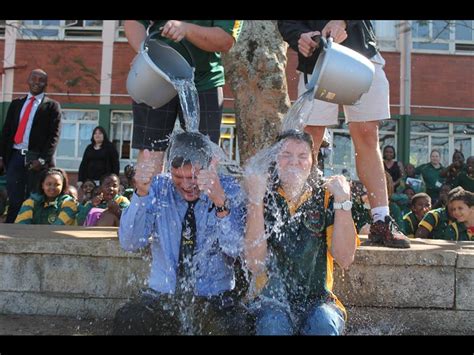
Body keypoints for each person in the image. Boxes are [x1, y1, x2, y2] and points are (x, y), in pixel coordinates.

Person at [278, 20, 410, 249]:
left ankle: (381, 219)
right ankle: (303, 216)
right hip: (316, 61)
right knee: (310, 139)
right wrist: (299, 36)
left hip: (361, 53)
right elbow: (286, 22)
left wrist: (342, 22)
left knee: (367, 134)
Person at [113, 131, 249, 335]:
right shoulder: (158, 187)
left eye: (193, 176)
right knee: (129, 319)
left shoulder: (229, 189)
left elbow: (235, 249)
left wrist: (221, 204)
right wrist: (141, 193)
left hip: (213, 296)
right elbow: (131, 243)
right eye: (178, 177)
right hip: (163, 294)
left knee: (236, 326)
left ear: (210, 165)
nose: (186, 185)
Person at [243, 130, 358, 335]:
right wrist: (256, 201)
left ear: (312, 162)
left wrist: (343, 201)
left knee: (324, 325)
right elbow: (254, 263)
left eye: (302, 156)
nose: (294, 162)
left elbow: (345, 258)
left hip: (318, 301)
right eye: (286, 155)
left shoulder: (326, 197)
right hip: (270, 301)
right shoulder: (262, 195)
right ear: (274, 160)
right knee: (273, 326)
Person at [124, 20, 243, 178]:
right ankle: (147, 199)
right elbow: (134, 22)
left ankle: (201, 202)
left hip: (204, 81)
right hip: (155, 73)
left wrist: (186, 29)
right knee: (150, 157)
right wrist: (143, 52)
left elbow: (226, 40)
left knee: (203, 159)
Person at [0, 69, 62, 223]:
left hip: (36, 160)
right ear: (28, 81)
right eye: (33, 79)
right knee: (14, 198)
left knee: (34, 198)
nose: (36, 82)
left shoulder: (52, 106)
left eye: (41, 80)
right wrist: (1, 156)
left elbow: (54, 137)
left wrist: (42, 160)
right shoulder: (16, 104)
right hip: (15, 156)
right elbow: (6, 131)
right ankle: (11, 235)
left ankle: (32, 233)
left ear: (46, 84)